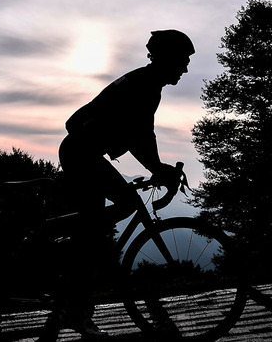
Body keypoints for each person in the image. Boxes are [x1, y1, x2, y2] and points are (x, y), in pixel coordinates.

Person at [38, 29, 195, 341]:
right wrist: (157, 168)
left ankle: (67, 240)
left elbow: (142, 134)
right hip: (82, 154)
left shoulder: (146, 82)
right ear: (168, 58)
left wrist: (157, 166)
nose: (186, 68)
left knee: (106, 219)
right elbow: (139, 135)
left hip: (83, 152)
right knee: (100, 230)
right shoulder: (146, 84)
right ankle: (78, 309)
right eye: (183, 61)